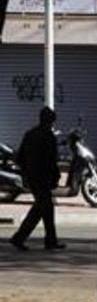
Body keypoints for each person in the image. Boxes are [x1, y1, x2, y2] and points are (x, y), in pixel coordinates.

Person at [9, 107, 63, 251]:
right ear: (51, 121)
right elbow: (52, 161)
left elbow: (19, 157)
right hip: (43, 178)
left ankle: (50, 240)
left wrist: (26, 172)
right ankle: (19, 237)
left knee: (46, 207)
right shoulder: (48, 137)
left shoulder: (30, 134)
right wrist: (56, 176)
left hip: (32, 178)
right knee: (41, 207)